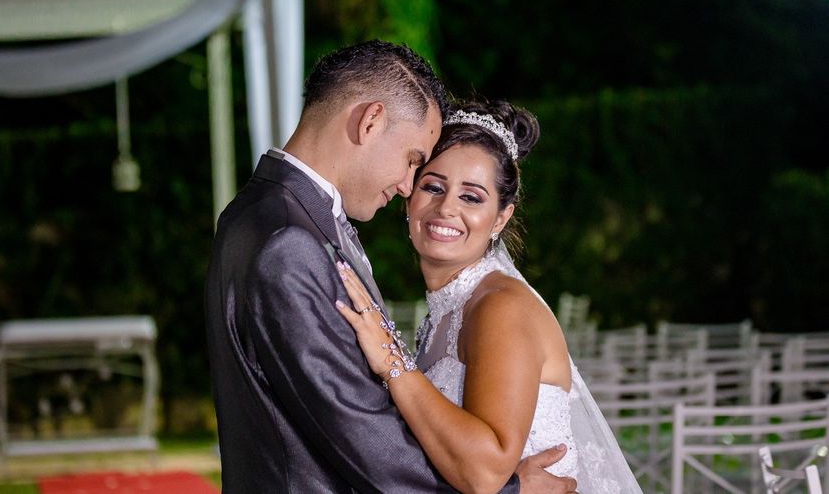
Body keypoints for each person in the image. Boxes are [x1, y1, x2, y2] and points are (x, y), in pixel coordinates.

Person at [205, 41, 577, 492]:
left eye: (472, 196)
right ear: (371, 120)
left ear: (503, 216)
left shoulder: (258, 214)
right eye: (416, 165)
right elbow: (361, 433)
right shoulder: (291, 241)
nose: (406, 186)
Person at [335, 100, 642, 493]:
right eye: (433, 186)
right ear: (409, 196)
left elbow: (485, 471)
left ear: (500, 218)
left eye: (472, 197)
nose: (446, 208)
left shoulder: (501, 306)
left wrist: (392, 362)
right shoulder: (450, 308)